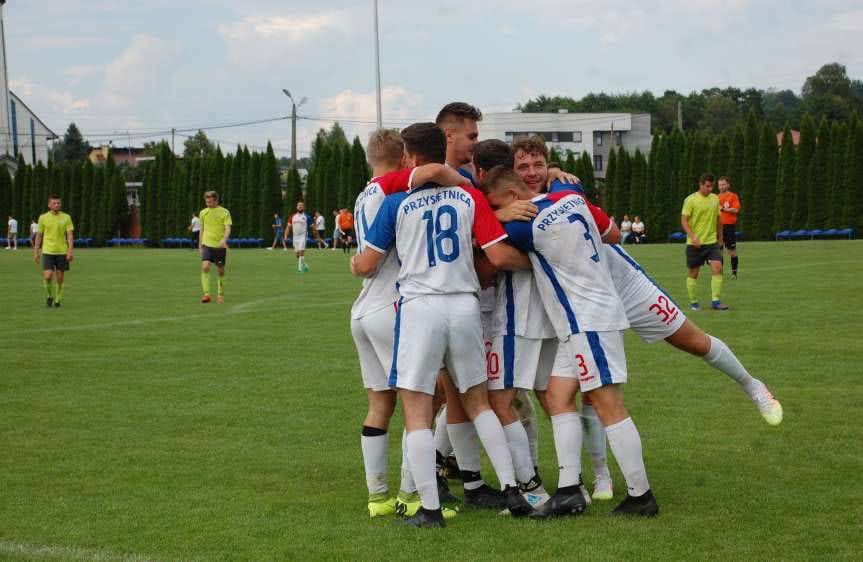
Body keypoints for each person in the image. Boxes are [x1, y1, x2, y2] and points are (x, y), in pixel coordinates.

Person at [351, 122, 533, 528]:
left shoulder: (396, 202)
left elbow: (365, 264)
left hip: (419, 307)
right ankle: (512, 490)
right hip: (465, 305)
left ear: (410, 158)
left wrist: (355, 261)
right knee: (478, 402)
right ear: (442, 150)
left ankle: (428, 508)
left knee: (416, 410)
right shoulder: (469, 196)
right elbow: (496, 252)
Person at [484, 167, 659, 518]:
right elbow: (612, 233)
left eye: (496, 203)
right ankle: (568, 490)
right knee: (556, 396)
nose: (496, 209)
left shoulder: (524, 223)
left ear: (513, 198)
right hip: (583, 317)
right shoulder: (570, 196)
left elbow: (484, 243)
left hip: (587, 319)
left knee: (608, 404)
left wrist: (497, 217)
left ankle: (642, 496)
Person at [351, 128, 471, 519]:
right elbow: (434, 170)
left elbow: (364, 261)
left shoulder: (364, 192)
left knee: (380, 404)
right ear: (404, 157)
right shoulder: (392, 187)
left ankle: (377, 497)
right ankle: (410, 495)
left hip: (364, 311)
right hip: (393, 307)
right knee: (424, 401)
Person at [681, 174, 727, 310]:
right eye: (707, 186)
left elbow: (719, 220)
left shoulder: (715, 199)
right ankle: (694, 302)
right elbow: (684, 220)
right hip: (695, 244)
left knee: (718, 268)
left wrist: (720, 238)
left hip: (712, 242)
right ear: (700, 184)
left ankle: (716, 301)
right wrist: (692, 236)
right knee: (693, 273)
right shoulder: (690, 200)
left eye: (712, 186)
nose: (710, 189)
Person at [33, 196, 74, 307]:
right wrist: (36, 251)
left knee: (60, 278)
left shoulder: (66, 217)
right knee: (47, 276)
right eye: (54, 203)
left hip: (62, 252)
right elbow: (39, 236)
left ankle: (58, 299)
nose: (57, 205)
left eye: (58, 203)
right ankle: (49, 296)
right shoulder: (43, 218)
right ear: (49, 205)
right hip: (47, 251)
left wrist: (70, 250)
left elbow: (70, 235)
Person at [198, 191, 232, 304]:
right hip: (207, 244)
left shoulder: (225, 212)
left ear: (216, 201)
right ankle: (206, 294)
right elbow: (202, 229)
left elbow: (228, 228)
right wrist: (200, 245)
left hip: (219, 246)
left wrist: (224, 240)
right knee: (205, 266)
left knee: (220, 271)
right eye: (206, 202)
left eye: (210, 202)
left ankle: (220, 295)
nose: (208, 204)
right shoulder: (203, 213)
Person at [718, 176, 741, 278]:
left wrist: (723, 209)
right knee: (719, 251)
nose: (721, 187)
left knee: (731, 251)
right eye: (719, 185)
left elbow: (736, 210)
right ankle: (719, 273)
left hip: (729, 227)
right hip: (718, 227)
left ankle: (734, 273)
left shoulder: (733, 196)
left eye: (723, 184)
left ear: (728, 185)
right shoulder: (715, 197)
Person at [285, 202, 313, 273]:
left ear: (304, 207)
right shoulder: (292, 216)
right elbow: (288, 227)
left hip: (303, 237)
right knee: (297, 254)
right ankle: (305, 266)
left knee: (301, 252)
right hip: (295, 238)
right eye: (298, 205)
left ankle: (300, 269)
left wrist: (315, 234)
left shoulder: (307, 217)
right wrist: (285, 236)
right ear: (296, 207)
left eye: (301, 205)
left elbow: (312, 227)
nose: (300, 206)